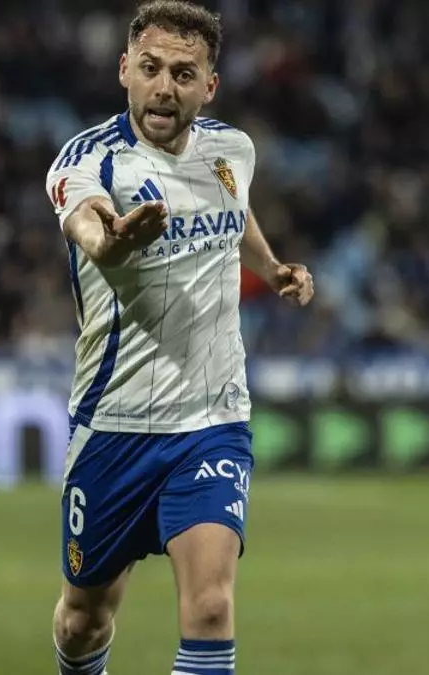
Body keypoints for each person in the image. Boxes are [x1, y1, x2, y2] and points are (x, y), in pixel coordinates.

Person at [44, 3, 314, 674]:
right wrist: (114, 241)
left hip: (212, 420)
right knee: (83, 620)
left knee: (212, 607)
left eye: (184, 74)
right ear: (124, 70)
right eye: (151, 68)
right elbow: (88, 227)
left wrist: (271, 268)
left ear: (209, 86)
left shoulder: (232, 150)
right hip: (115, 426)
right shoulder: (90, 161)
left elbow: (234, 209)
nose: (165, 87)